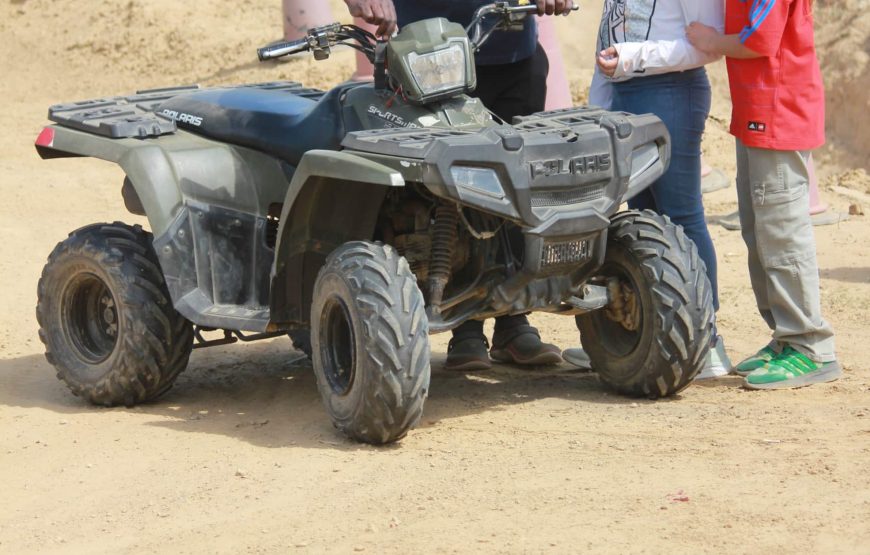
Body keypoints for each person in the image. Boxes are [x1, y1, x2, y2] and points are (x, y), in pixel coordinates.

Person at [344, 0, 574, 371]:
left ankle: (513, 321)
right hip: (427, 61)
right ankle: (465, 328)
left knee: (517, 184)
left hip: (513, 51)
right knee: (445, 187)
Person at [563, 0, 732, 379]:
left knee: (681, 215)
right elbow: (612, 32)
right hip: (627, 94)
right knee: (640, 220)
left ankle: (706, 341)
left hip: (670, 91)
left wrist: (633, 57)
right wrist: (601, 103)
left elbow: (708, 47)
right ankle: (648, 342)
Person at [686, 0, 841, 389]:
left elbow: (761, 39)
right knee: (760, 231)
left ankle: (810, 345)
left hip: (778, 109)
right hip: (759, 108)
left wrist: (711, 40)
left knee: (781, 232)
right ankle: (786, 336)